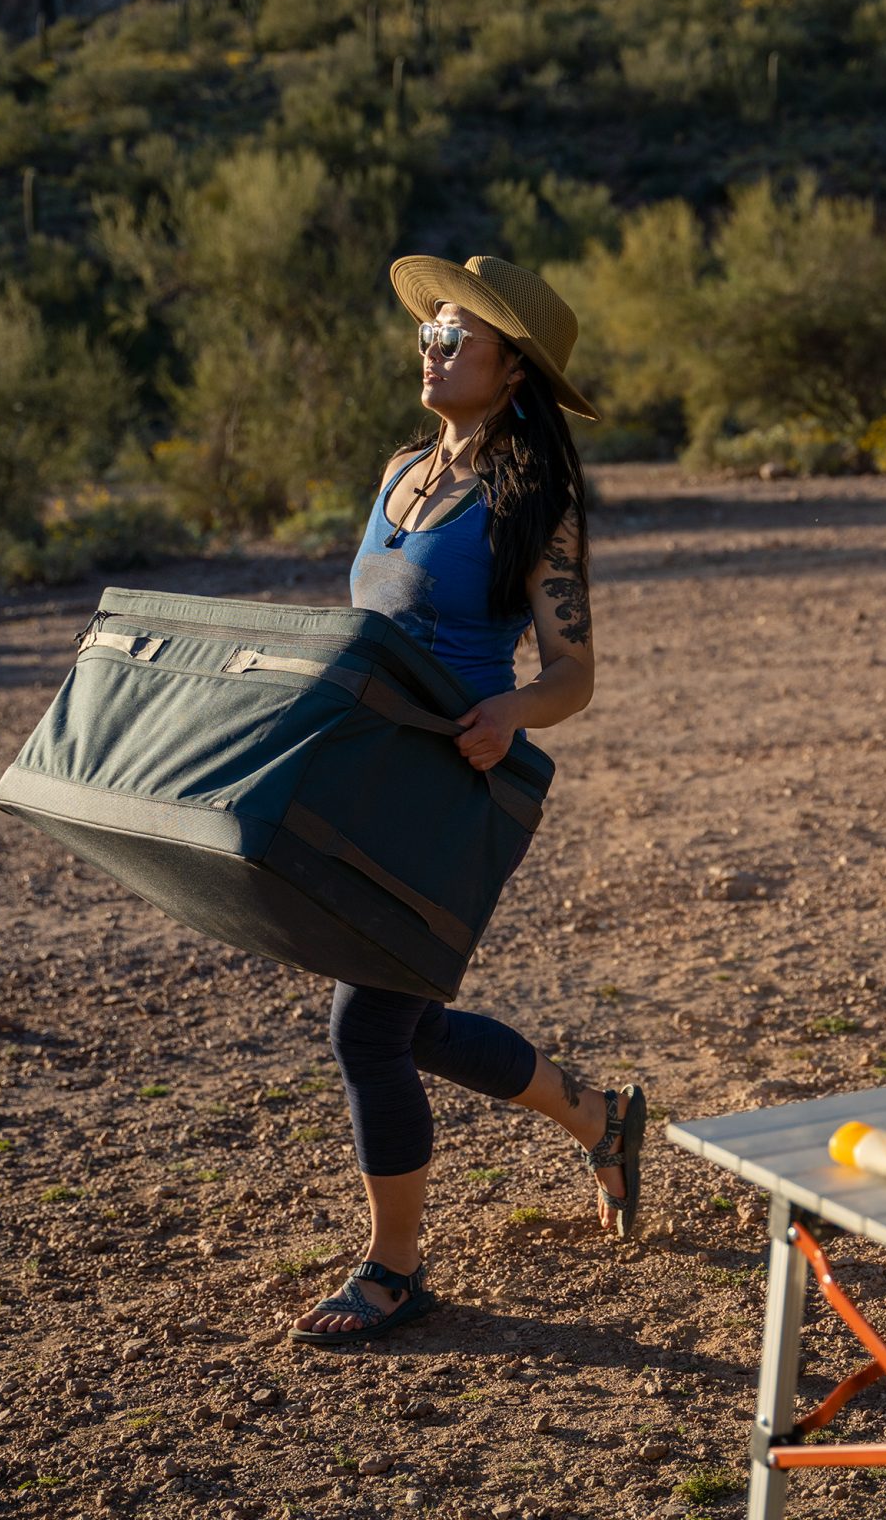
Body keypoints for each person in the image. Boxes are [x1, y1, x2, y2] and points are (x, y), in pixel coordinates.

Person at [289, 256, 644, 1347]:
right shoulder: (401, 471)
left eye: (456, 340)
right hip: (364, 776)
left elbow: (572, 674)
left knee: (368, 1028)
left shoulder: (533, 500)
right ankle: (598, 1117)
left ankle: (394, 1272)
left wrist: (511, 713)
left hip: (453, 788)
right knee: (410, 1020)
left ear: (512, 371)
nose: (431, 352)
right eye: (428, 335)